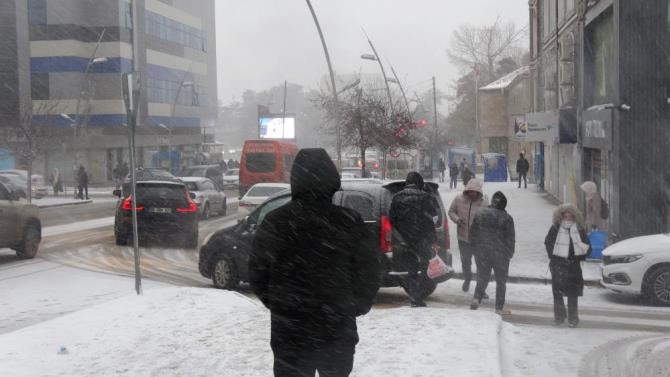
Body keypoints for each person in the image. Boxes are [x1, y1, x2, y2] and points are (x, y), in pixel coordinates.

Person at [249, 148, 380, 377]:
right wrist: (354, 305)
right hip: (336, 326)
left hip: (290, 328)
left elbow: (258, 273)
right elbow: (369, 271)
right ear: (332, 179)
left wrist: (280, 303)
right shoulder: (349, 221)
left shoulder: (276, 221)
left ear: (295, 180)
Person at [389, 171, 438, 307]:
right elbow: (433, 218)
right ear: (419, 183)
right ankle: (419, 295)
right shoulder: (425, 197)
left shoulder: (397, 197)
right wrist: (433, 239)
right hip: (422, 239)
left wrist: (400, 235)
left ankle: (414, 296)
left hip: (405, 240)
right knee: (425, 268)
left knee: (411, 268)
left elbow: (392, 219)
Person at [544, 204, 591, 328]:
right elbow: (548, 243)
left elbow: (587, 247)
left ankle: (572, 318)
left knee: (572, 293)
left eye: (570, 214)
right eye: (565, 214)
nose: (568, 216)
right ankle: (559, 317)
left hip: (573, 266)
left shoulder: (579, 229)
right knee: (557, 293)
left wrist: (577, 257)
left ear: (575, 216)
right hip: (558, 265)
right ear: (561, 215)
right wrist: (554, 256)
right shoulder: (555, 228)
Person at [469, 192, 515, 314]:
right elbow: (510, 238)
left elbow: (472, 233)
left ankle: (476, 299)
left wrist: (474, 249)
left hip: (482, 252)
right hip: (501, 254)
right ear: (504, 205)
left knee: (482, 277)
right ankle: (499, 307)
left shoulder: (480, 214)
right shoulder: (507, 218)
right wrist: (509, 253)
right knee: (501, 281)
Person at [448, 179, 488, 293]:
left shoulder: (484, 203)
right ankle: (467, 278)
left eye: (474, 192)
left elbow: (489, 218)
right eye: (470, 191)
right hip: (463, 238)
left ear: (478, 192)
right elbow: (451, 212)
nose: (471, 194)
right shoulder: (458, 199)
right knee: (465, 262)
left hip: (478, 240)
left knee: (481, 265)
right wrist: (457, 219)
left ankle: (481, 290)